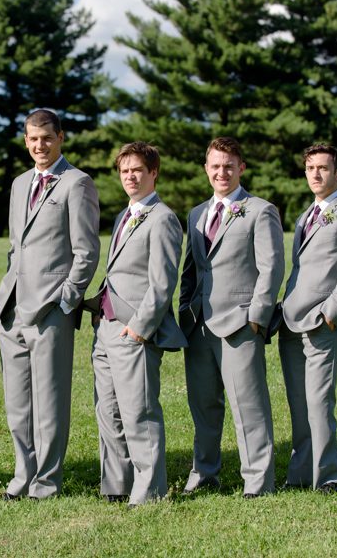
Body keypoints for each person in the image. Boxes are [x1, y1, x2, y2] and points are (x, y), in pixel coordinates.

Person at [0, 108, 100, 500]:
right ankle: (23, 476)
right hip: (12, 311)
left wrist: (65, 300)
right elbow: (14, 247)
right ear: (25, 140)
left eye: (47, 138)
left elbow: (86, 251)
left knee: (50, 401)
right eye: (33, 139)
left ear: (60, 138)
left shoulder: (78, 183)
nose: (40, 146)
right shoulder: (20, 183)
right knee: (17, 403)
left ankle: (46, 481)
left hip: (51, 310)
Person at [178, 137, 284, 498]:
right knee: (203, 406)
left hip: (241, 324)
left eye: (228, 165)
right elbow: (190, 272)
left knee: (248, 405)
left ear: (241, 168)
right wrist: (184, 312)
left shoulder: (260, 210)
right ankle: (204, 473)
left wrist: (257, 317)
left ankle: (257, 481)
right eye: (215, 166)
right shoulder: (195, 214)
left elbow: (271, 269)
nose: (221, 172)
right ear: (206, 169)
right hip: (199, 327)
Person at [85, 142, 185, 506]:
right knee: (108, 411)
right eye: (125, 170)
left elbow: (162, 282)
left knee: (138, 412)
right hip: (106, 327)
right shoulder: (123, 215)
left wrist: (140, 327)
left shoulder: (163, 218)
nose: (130, 176)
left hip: (135, 330)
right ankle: (116, 485)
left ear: (153, 173)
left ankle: (150, 491)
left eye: (138, 170)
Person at [278, 144, 337, 493]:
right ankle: (300, 475)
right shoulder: (306, 214)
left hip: (322, 325)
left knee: (319, 404)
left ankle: (328, 476)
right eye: (310, 168)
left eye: (322, 168)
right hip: (290, 323)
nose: (315, 174)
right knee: (299, 405)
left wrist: (330, 315)